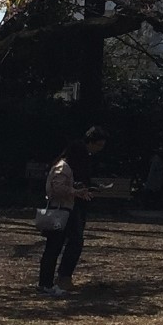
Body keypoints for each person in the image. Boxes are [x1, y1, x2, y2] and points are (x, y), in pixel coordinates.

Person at [37, 126, 105, 295]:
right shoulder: (63, 167)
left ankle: (49, 283)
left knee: (56, 246)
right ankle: (45, 283)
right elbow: (57, 188)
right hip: (59, 210)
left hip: (65, 209)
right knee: (53, 247)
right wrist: (76, 192)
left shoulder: (65, 167)